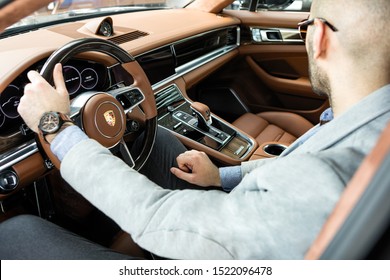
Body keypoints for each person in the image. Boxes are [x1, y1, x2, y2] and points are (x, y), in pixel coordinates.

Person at [1, 0, 390, 259]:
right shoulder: (371, 129)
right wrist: (222, 175)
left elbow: (158, 217)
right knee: (163, 143)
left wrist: (55, 128)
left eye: (306, 26)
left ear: (319, 36)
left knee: (15, 235)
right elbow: (304, 165)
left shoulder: (329, 178)